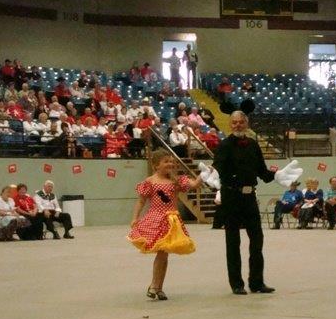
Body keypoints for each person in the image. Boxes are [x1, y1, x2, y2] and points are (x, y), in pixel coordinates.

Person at [206, 110, 302, 294]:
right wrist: (211, 174)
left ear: (247, 124)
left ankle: (257, 282)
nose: (238, 125)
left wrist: (277, 175)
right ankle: (237, 284)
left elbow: (262, 172)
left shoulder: (253, 144)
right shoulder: (224, 145)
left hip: (250, 197)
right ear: (230, 124)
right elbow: (217, 168)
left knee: (257, 239)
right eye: (234, 122)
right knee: (233, 241)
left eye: (241, 122)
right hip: (231, 197)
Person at [128, 150, 203, 300]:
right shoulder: (150, 181)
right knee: (162, 253)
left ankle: (158, 287)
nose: (170, 164)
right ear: (156, 165)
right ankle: (154, 285)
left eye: (171, 161)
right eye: (166, 161)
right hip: (156, 219)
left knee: (164, 254)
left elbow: (195, 184)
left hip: (172, 221)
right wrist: (135, 218)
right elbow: (141, 201)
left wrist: (204, 174)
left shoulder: (176, 181)